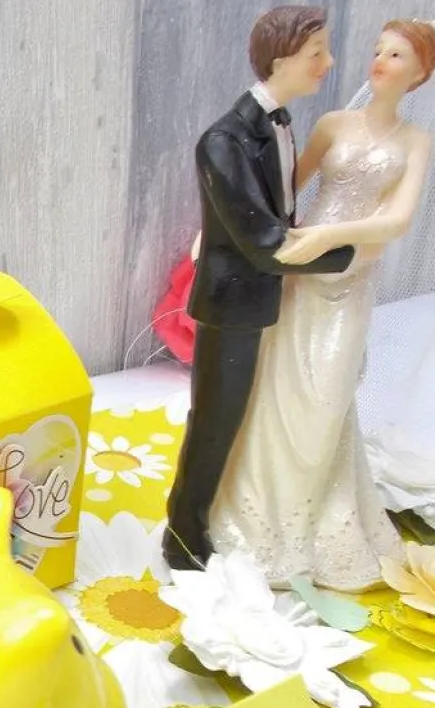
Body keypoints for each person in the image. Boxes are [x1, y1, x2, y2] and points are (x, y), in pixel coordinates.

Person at [209, 18, 435, 591]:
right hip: (297, 271)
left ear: (420, 73)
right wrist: (220, 232)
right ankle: (259, 512)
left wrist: (333, 236)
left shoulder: (415, 142)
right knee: (277, 384)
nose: (380, 61)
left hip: (348, 274)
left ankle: (313, 525)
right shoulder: (334, 124)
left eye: (397, 55)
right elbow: (280, 189)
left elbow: (398, 220)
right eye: (379, 50)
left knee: (326, 392)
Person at [163, 6, 355, 572]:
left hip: (267, 299)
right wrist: (349, 254)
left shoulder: (280, 123)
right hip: (234, 305)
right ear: (282, 60)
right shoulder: (223, 141)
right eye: (317, 52)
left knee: (248, 416)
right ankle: (183, 533)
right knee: (215, 420)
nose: (329, 62)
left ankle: (224, 513)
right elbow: (264, 243)